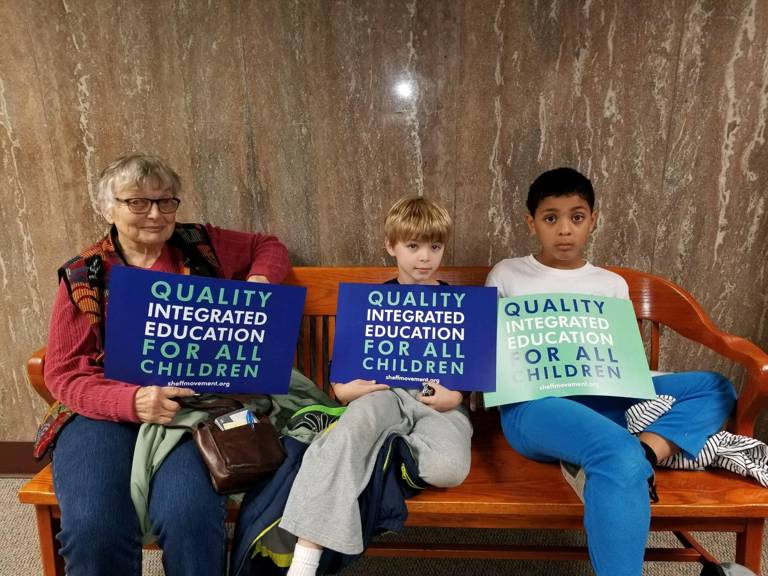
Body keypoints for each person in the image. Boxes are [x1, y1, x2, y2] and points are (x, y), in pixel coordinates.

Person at [42, 153, 291, 576]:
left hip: (195, 406)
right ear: (107, 208)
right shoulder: (85, 275)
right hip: (104, 412)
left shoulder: (201, 243)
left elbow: (267, 246)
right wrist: (132, 401)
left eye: (166, 201)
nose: (155, 214)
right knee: (93, 527)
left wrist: (259, 283)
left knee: (188, 514)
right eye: (137, 202)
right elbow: (63, 373)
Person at [485, 167, 737, 576]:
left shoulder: (611, 284)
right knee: (615, 452)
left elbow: (623, 361)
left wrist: (639, 376)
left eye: (577, 217)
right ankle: (625, 457)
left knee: (716, 386)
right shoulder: (508, 273)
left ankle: (647, 451)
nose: (564, 230)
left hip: (605, 401)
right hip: (535, 406)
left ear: (594, 220)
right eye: (551, 218)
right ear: (531, 223)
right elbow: (489, 351)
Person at [278, 196, 473, 576]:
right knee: (352, 431)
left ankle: (382, 449)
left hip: (438, 405)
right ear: (391, 246)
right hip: (381, 394)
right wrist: (348, 393)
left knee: (448, 469)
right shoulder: (371, 304)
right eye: (413, 246)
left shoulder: (459, 305)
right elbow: (341, 384)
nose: (425, 258)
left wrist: (456, 396)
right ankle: (305, 559)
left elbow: (466, 378)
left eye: (435, 246)